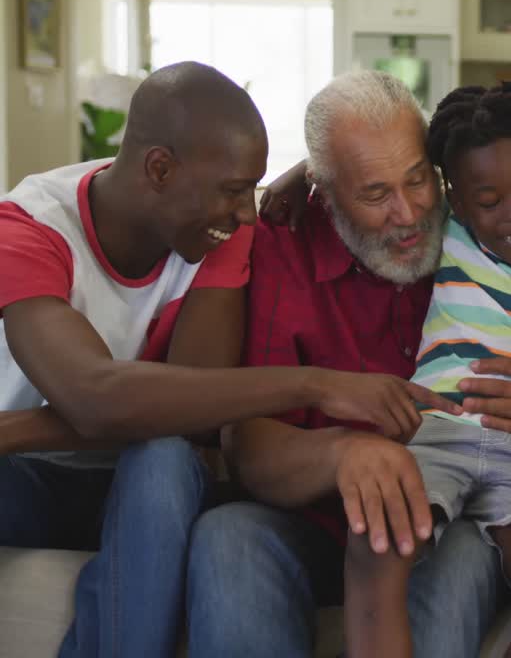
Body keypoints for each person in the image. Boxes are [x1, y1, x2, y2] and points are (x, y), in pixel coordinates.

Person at [0, 62, 443, 658]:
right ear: (159, 168)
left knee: (164, 458)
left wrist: (312, 175)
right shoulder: (28, 230)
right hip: (25, 478)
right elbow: (95, 398)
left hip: (131, 474)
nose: (248, 215)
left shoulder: (220, 232)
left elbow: (196, 407)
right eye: (236, 192)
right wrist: (316, 386)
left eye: (252, 190)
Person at [188, 72, 511, 658]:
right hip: (313, 517)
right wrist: (344, 453)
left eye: (418, 179)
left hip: (454, 512)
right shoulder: (282, 247)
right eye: (375, 195)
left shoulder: (482, 225)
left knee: (451, 550)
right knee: (226, 536)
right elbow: (247, 446)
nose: (408, 214)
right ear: (325, 191)